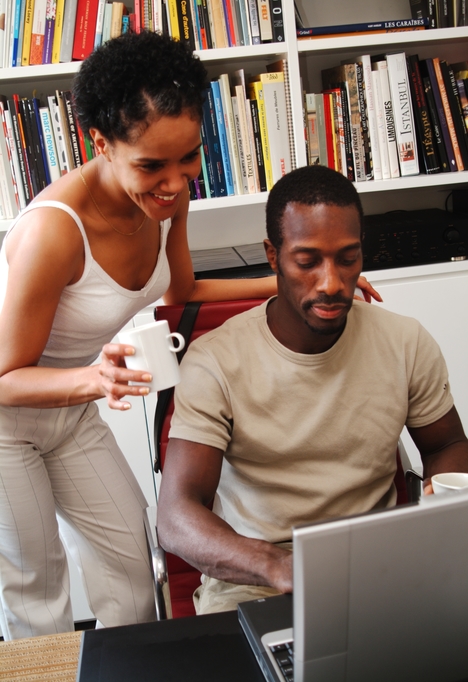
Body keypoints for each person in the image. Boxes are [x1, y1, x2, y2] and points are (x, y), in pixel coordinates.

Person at [0, 33, 377, 640]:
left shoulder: (164, 200)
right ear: (101, 143)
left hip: (71, 412)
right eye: (152, 165)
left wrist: (296, 278)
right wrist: (94, 377)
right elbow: (5, 378)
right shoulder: (55, 232)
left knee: (132, 564)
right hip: (9, 420)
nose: (175, 183)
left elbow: (180, 291)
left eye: (189, 158)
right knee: (36, 586)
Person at [157, 164, 468, 616]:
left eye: (348, 258)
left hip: (378, 566)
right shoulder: (214, 360)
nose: (331, 282)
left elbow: (448, 443)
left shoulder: (405, 341)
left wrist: (441, 505)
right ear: (273, 255)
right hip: (257, 583)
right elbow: (176, 514)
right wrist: (276, 564)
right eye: (307, 262)